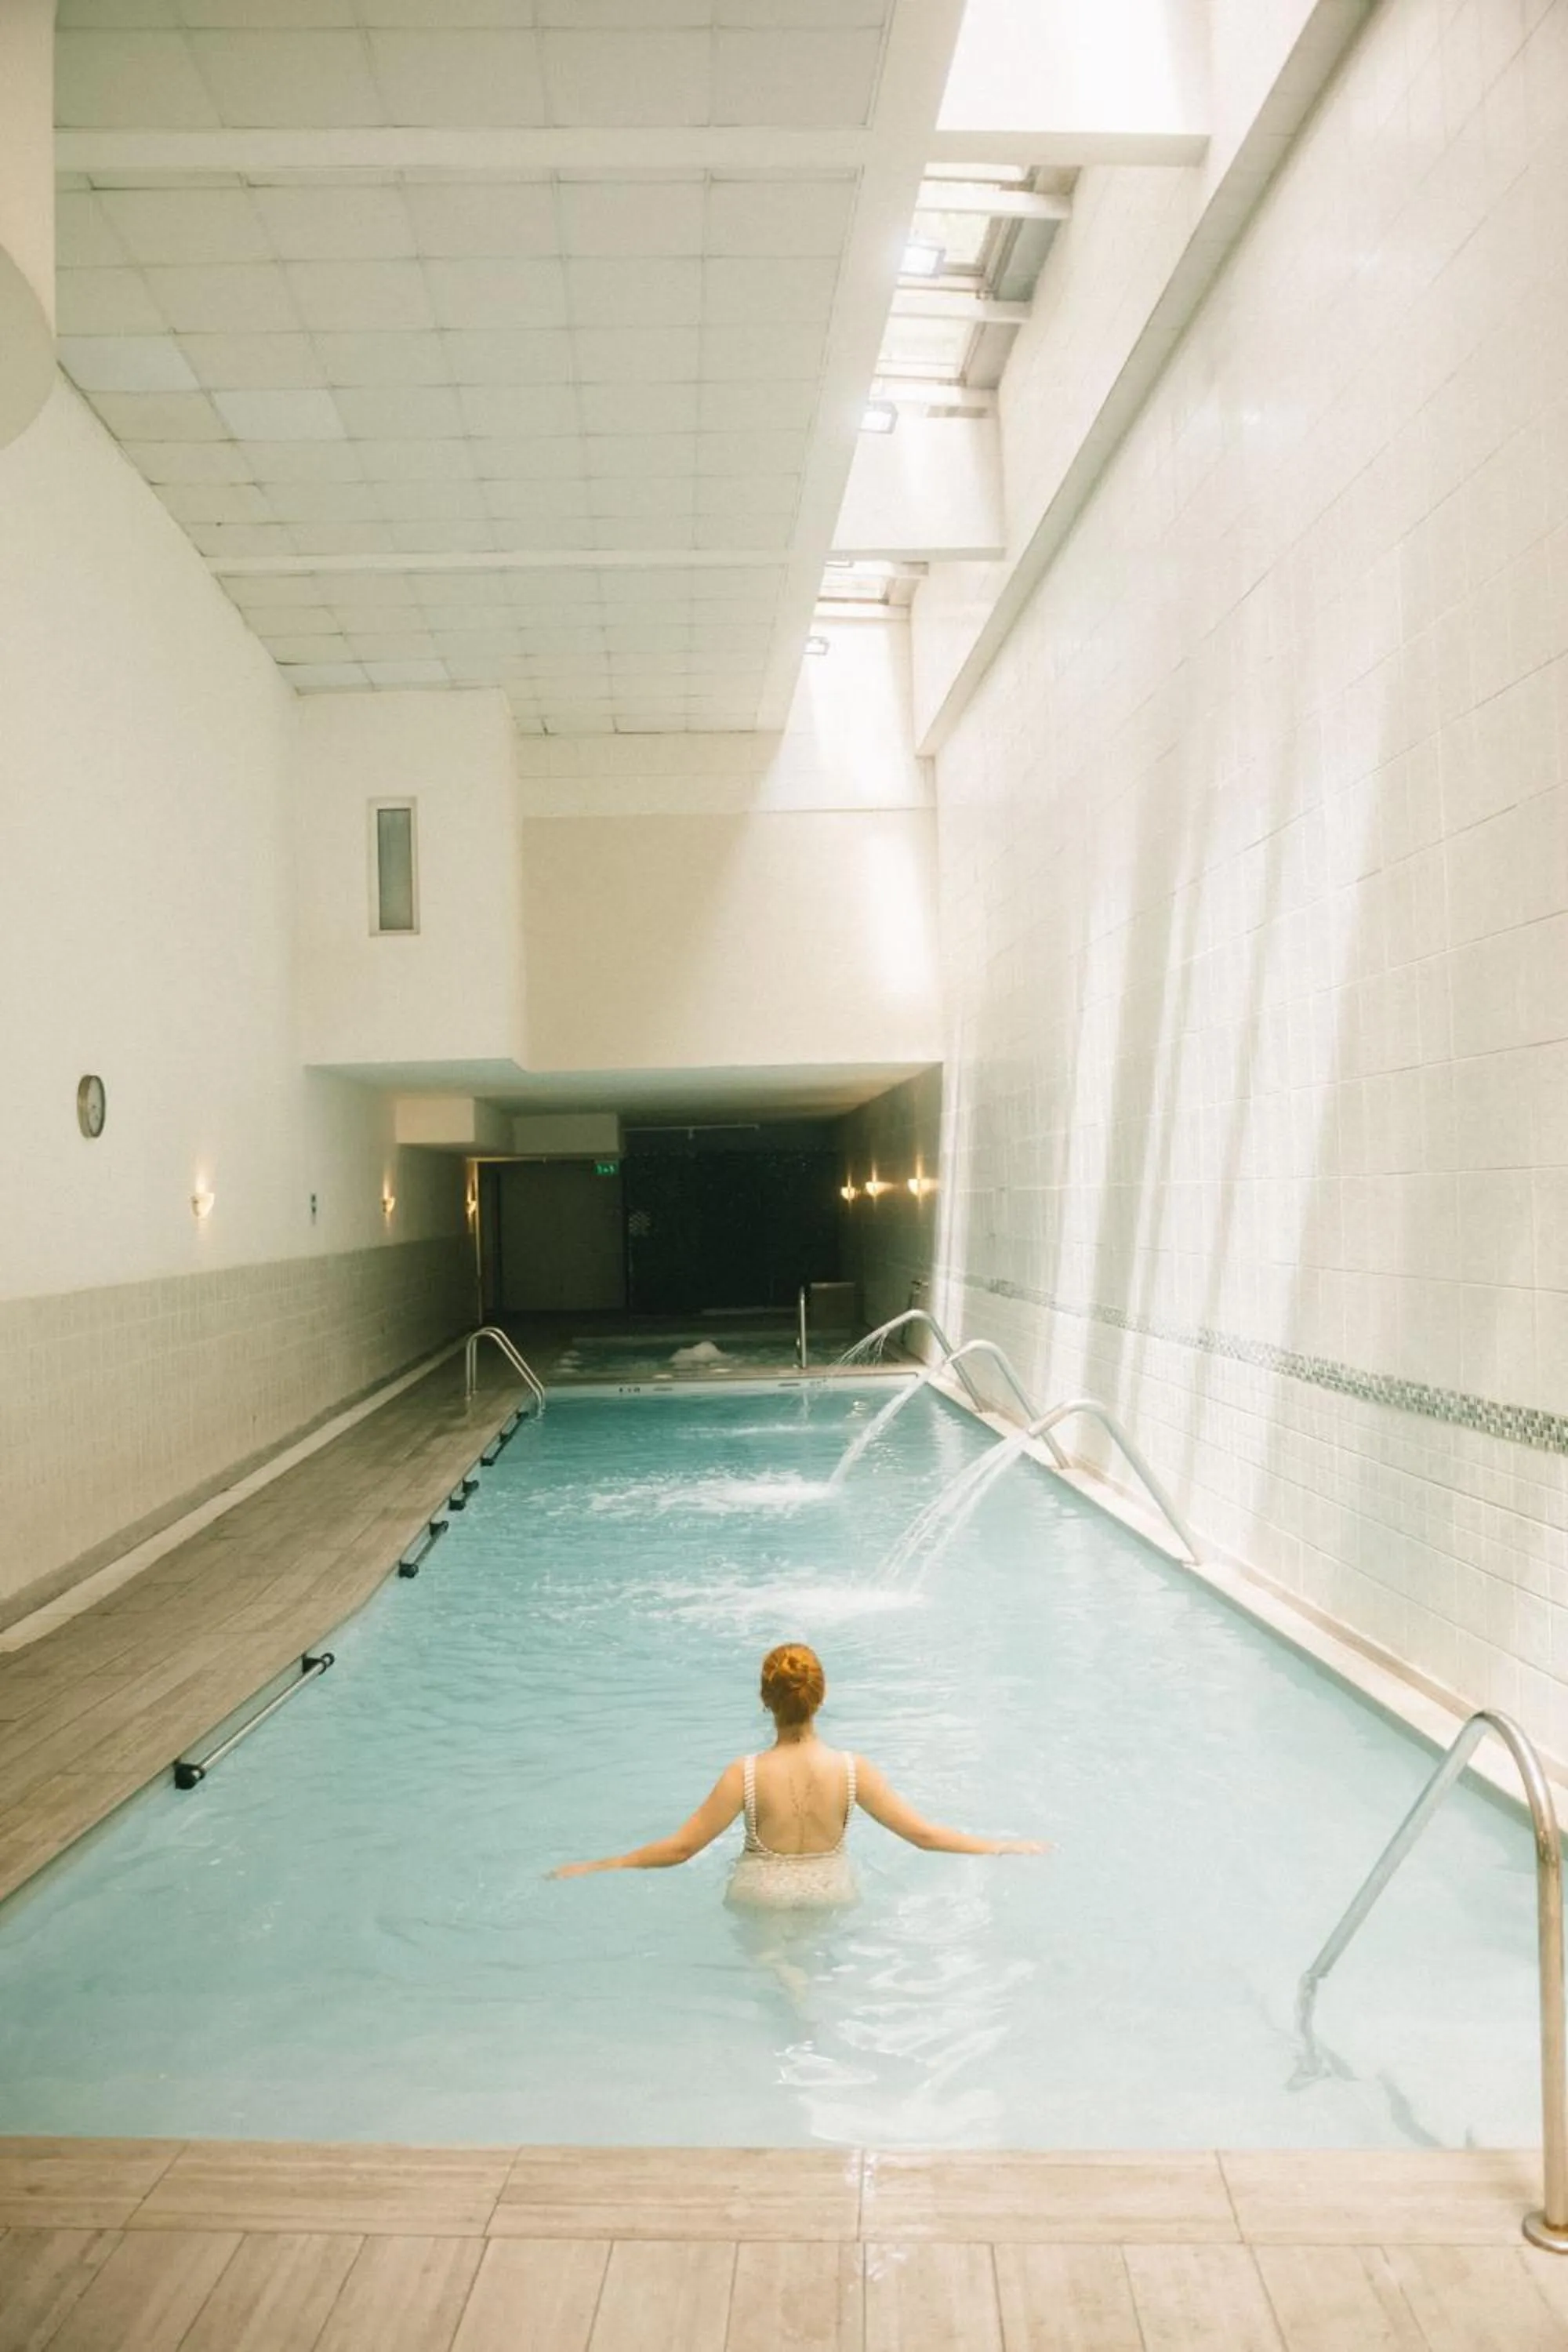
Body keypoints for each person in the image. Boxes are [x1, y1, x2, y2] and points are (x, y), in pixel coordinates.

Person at [550, 1641, 1047, 1907]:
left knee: (773, 1969)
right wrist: (1002, 1846)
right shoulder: (856, 1771)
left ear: (766, 1701)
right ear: (821, 1697)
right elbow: (923, 1835)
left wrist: (602, 1865)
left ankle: (791, 1994)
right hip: (831, 1888)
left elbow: (681, 1850)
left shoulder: (742, 1774)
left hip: (760, 1892)